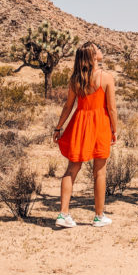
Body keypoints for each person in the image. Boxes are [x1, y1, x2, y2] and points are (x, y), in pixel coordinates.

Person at [52, 41, 118, 228]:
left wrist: (58, 128)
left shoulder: (76, 79)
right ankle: (99, 216)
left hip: (79, 124)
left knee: (71, 169)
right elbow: (112, 109)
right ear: (92, 56)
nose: (101, 50)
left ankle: (63, 214)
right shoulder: (106, 78)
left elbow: (68, 106)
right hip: (100, 125)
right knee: (100, 172)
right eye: (98, 49)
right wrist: (114, 129)